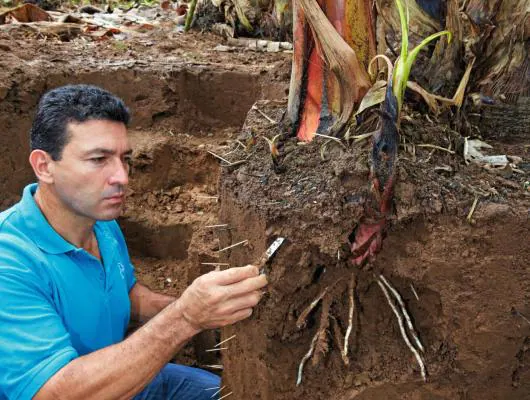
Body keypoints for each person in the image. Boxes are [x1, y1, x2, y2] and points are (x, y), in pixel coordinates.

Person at [0, 84, 268, 399]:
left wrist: (208, 306)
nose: (122, 177)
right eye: (99, 159)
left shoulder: (100, 223)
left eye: (124, 158)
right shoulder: (11, 261)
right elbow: (55, 393)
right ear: (44, 166)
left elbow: (123, 293)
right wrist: (184, 316)